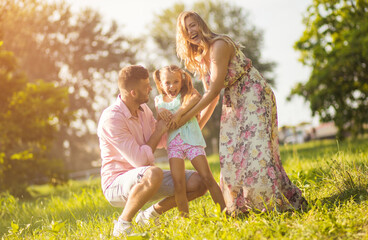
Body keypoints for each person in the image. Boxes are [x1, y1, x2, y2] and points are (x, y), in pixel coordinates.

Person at [174, 11, 307, 215]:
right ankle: (243, 206)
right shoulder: (201, 58)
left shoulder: (219, 45)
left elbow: (214, 89)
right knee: (231, 154)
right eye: (185, 29)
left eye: (193, 25)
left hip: (253, 94)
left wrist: (182, 117)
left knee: (256, 152)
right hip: (232, 102)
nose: (190, 31)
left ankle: (270, 205)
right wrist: (196, 128)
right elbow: (213, 98)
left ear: (201, 24)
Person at [97, 65, 207, 237]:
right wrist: (158, 130)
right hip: (117, 183)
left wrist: (188, 118)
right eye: (146, 86)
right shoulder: (112, 119)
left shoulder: (144, 111)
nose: (151, 88)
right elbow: (140, 160)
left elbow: (163, 140)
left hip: (147, 177)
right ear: (133, 93)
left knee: (200, 182)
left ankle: (149, 215)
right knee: (153, 173)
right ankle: (122, 225)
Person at [153, 65, 225, 217]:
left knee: (207, 177)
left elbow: (196, 99)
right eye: (167, 83)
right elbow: (160, 112)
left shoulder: (187, 94)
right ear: (160, 83)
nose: (172, 86)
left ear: (182, 81)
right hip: (174, 145)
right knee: (179, 184)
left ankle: (225, 212)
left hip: (192, 140)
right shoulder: (159, 100)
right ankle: (185, 219)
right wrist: (160, 111)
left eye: (176, 82)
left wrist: (178, 114)